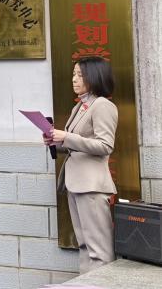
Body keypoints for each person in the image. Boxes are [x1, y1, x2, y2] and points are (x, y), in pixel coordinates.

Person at [44, 56, 118, 273]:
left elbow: (105, 145)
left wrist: (66, 137)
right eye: (73, 74)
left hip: (92, 186)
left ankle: (102, 285)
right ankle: (87, 284)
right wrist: (57, 142)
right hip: (76, 183)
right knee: (84, 246)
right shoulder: (81, 106)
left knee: (99, 250)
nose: (74, 79)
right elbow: (77, 145)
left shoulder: (102, 105)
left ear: (94, 77)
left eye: (80, 75)